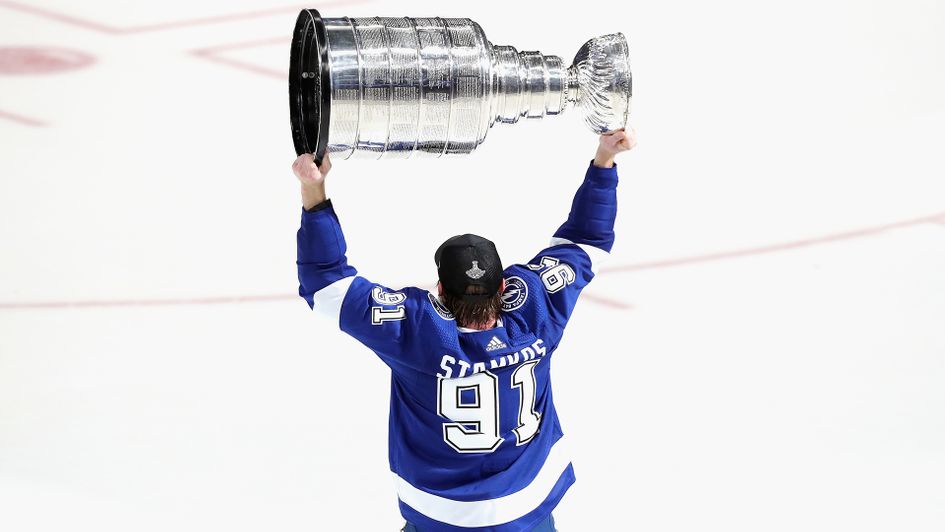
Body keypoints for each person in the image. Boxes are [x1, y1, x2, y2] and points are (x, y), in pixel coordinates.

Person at [294, 128, 636, 531]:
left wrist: (313, 191)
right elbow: (586, 239)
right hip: (527, 513)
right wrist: (604, 159)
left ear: (439, 288)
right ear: (504, 287)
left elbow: (326, 283)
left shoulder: (418, 330)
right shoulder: (535, 311)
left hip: (440, 516)